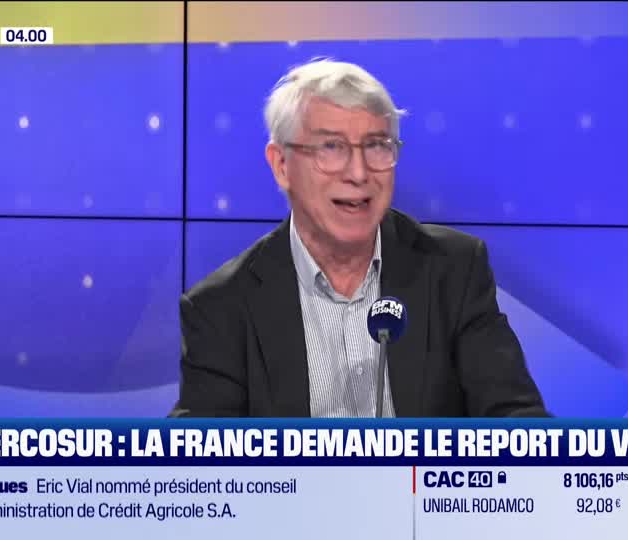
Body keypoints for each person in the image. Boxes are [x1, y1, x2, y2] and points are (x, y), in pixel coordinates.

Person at [171, 59, 548, 418]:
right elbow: (198, 451)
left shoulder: (454, 271)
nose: (358, 173)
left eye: (377, 146)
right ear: (281, 165)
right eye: (331, 148)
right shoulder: (221, 308)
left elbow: (517, 423)